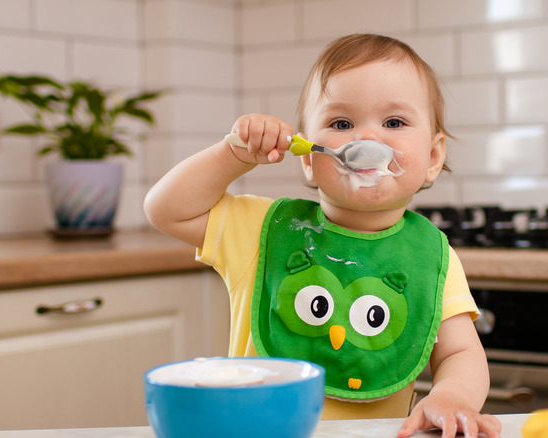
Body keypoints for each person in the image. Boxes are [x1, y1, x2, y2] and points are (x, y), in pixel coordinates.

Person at [144, 33, 501, 438]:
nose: (366, 139)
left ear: (433, 158)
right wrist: (233, 155)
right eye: (341, 123)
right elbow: (164, 210)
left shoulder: (431, 255)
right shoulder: (262, 229)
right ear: (309, 159)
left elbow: (459, 352)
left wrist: (454, 396)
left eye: (394, 122)